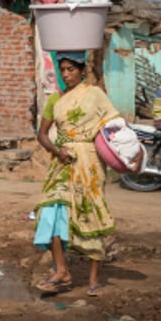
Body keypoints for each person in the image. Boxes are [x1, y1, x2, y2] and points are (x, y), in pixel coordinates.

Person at [33, 51, 117, 297]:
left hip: (89, 162)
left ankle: (94, 280)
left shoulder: (95, 95)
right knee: (52, 212)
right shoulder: (55, 100)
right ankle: (62, 271)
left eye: (71, 69)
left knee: (89, 212)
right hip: (61, 163)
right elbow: (42, 134)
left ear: (82, 71)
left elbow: (113, 125)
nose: (66, 75)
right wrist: (57, 150)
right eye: (63, 70)